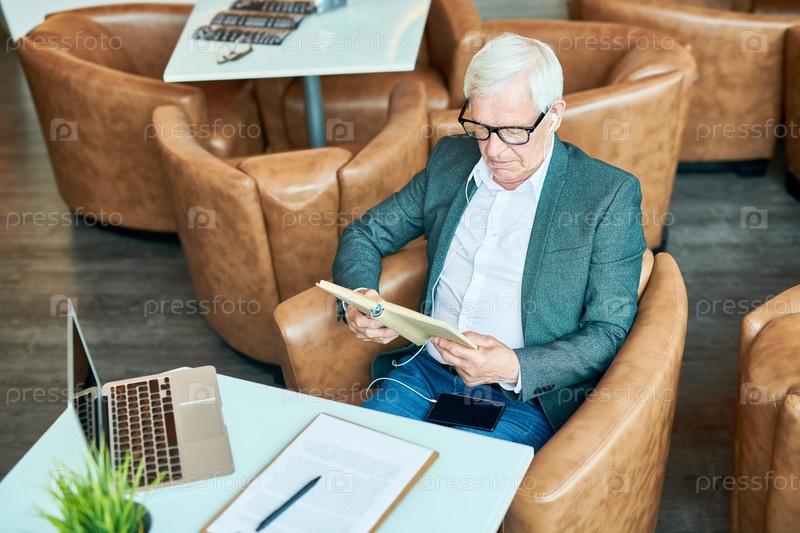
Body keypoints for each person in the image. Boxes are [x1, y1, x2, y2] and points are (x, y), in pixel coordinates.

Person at [332, 32, 646, 449]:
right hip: (425, 372)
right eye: (480, 127)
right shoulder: (451, 160)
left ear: (553, 115)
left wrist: (514, 365)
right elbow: (365, 233)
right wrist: (358, 297)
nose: (493, 150)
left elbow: (608, 331)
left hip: (522, 398)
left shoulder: (606, 194)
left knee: (455, 480)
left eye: (513, 130)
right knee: (355, 456)